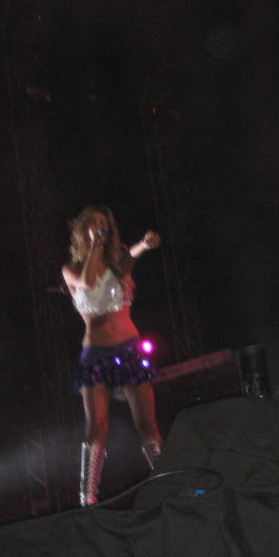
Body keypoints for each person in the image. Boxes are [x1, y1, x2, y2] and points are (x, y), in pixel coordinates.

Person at [62, 205, 162, 506]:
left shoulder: (119, 263)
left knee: (146, 423)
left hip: (129, 350)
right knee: (96, 425)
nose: (99, 226)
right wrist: (95, 246)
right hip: (95, 355)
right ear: (83, 229)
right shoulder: (71, 270)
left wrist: (145, 243)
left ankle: (168, 480)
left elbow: (134, 253)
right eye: (93, 223)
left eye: (103, 223)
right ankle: (88, 496)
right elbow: (89, 282)